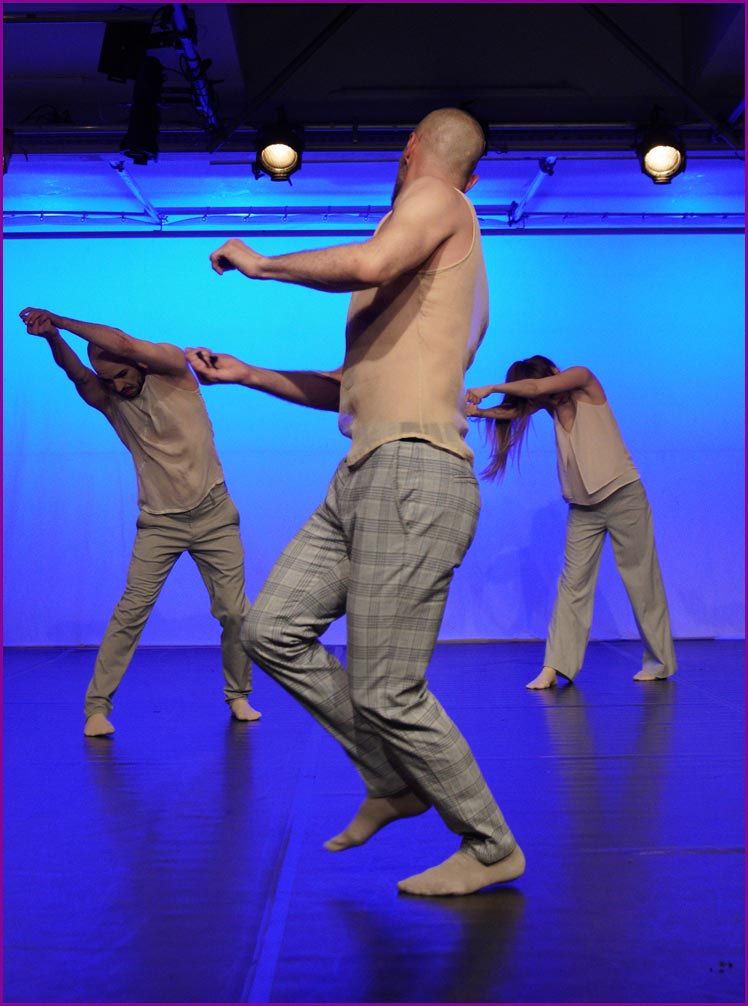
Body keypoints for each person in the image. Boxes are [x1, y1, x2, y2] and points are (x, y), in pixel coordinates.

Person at [187, 107, 525, 897]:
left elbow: (370, 261)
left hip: (412, 471)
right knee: (270, 629)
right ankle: (392, 778)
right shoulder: (427, 258)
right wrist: (250, 374)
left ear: (412, 148)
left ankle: (489, 843)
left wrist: (263, 265)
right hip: (366, 470)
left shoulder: (438, 200)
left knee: (388, 688)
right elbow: (355, 385)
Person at [19, 306, 261, 736]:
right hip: (159, 524)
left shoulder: (175, 373)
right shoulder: (112, 402)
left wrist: (59, 319)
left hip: (214, 515)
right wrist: (53, 337)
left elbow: (123, 342)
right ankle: (97, 708)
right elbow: (77, 376)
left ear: (137, 363)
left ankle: (238, 695)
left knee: (234, 612)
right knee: (130, 612)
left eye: (120, 375)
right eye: (108, 379)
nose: (116, 385)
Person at [466, 355, 677, 689]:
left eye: (550, 393)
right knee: (572, 586)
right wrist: (480, 413)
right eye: (544, 400)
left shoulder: (582, 380)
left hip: (623, 496)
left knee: (641, 580)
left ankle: (660, 662)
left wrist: (491, 387)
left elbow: (535, 389)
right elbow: (517, 409)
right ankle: (554, 667)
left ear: (554, 373)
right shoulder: (549, 404)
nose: (550, 401)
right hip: (582, 508)